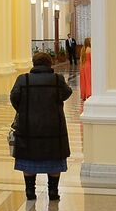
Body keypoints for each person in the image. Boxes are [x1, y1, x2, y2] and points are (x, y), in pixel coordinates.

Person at [10, 52, 73, 201]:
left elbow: (14, 97)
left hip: (28, 126)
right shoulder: (57, 80)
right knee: (54, 161)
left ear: (34, 63)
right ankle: (53, 191)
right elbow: (67, 93)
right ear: (49, 64)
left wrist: (23, 110)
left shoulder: (23, 79)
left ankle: (30, 192)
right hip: (53, 127)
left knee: (28, 160)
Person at [79, 38, 93, 106]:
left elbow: (81, 59)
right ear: (88, 42)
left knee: (83, 81)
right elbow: (91, 59)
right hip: (88, 66)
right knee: (88, 80)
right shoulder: (89, 49)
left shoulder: (82, 49)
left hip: (83, 66)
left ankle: (83, 94)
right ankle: (89, 93)